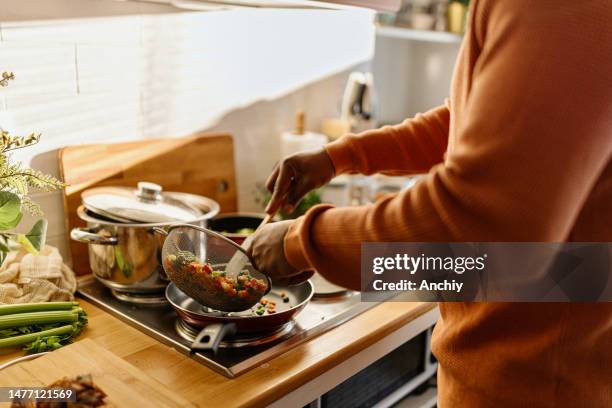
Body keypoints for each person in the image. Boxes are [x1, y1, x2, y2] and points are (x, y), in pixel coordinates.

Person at [247, 1, 612, 407]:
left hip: (540, 384)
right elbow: (470, 119)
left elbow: (476, 230)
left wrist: (298, 242)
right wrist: (341, 157)